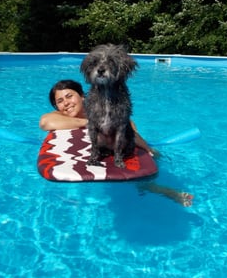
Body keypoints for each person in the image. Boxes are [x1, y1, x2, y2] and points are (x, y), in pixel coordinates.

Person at [39, 80, 193, 207]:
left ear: (82, 96)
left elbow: (128, 127)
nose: (66, 103)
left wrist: (146, 148)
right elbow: (45, 122)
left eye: (69, 96)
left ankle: (161, 190)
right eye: (60, 101)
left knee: (150, 163)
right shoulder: (59, 115)